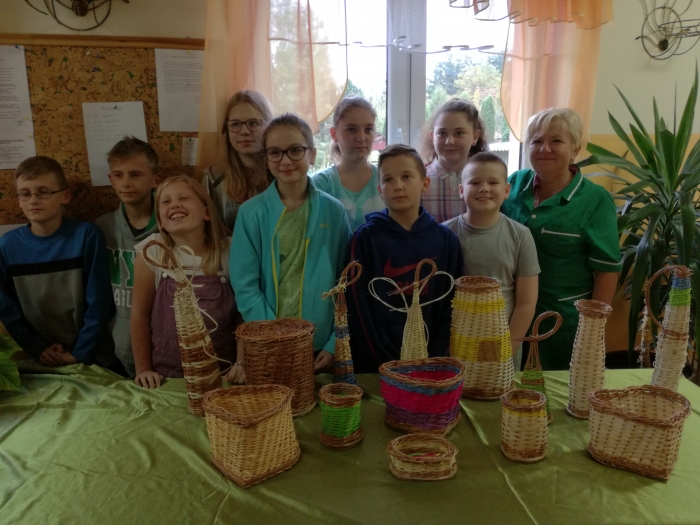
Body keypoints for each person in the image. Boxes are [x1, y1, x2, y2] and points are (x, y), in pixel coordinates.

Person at [501, 108, 621, 370]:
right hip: (509, 318)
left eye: (556, 140)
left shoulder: (595, 200)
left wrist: (592, 330)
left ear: (575, 149)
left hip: (563, 325)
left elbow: (607, 271)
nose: (544, 148)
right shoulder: (513, 184)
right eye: (536, 141)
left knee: (558, 391)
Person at [231, 113, 351, 372]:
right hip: (269, 343)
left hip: (321, 345)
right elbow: (244, 285)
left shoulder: (334, 212)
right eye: (275, 152)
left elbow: (346, 282)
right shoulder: (251, 214)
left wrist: (335, 341)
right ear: (266, 158)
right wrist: (272, 333)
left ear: (312, 154)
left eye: (295, 150)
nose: (285, 161)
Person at [347, 144, 464, 373]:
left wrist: (434, 359)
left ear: (425, 184)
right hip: (376, 367)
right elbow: (357, 308)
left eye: (406, 177)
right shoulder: (365, 239)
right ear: (380, 189)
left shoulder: (447, 241)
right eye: (388, 179)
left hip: (432, 366)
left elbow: (454, 305)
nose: (398, 186)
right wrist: (382, 363)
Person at [0, 156, 114, 368]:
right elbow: (6, 308)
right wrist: (37, 348)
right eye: (25, 193)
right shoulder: (7, 245)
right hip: (40, 356)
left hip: (90, 355)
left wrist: (80, 352)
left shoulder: (86, 236)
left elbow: (99, 302)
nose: (33, 200)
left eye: (43, 192)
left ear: (65, 196)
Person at [131, 175, 241, 389]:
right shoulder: (153, 252)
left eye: (183, 198)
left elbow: (242, 315)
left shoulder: (230, 250)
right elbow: (139, 315)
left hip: (223, 375)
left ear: (206, 212)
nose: (174, 205)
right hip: (167, 378)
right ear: (160, 221)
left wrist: (241, 363)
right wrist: (143, 369)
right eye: (166, 201)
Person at [443, 152, 540, 371]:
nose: (484, 188)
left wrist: (505, 350)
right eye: (475, 182)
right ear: (461, 190)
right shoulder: (444, 234)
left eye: (493, 183)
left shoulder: (521, 236)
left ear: (506, 190)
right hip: (454, 347)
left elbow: (526, 303)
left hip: (502, 347)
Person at [95, 136, 161, 377]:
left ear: (155, 179)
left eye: (135, 175)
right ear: (110, 179)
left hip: (164, 345)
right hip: (116, 349)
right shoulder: (103, 228)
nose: (126, 182)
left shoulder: (170, 227)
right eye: (118, 175)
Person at [202, 90, 274, 231]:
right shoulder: (213, 179)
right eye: (235, 124)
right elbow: (211, 234)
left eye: (253, 123)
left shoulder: (283, 173)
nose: (244, 131)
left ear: (269, 127)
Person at [312, 96, 384, 230]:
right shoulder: (319, 185)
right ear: (334, 134)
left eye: (368, 129)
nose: (361, 138)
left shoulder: (386, 180)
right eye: (351, 129)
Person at [420, 98, 489, 223]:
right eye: (442, 133)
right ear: (432, 137)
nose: (449, 141)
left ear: (475, 136)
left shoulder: (488, 183)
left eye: (459, 133)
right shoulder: (419, 181)